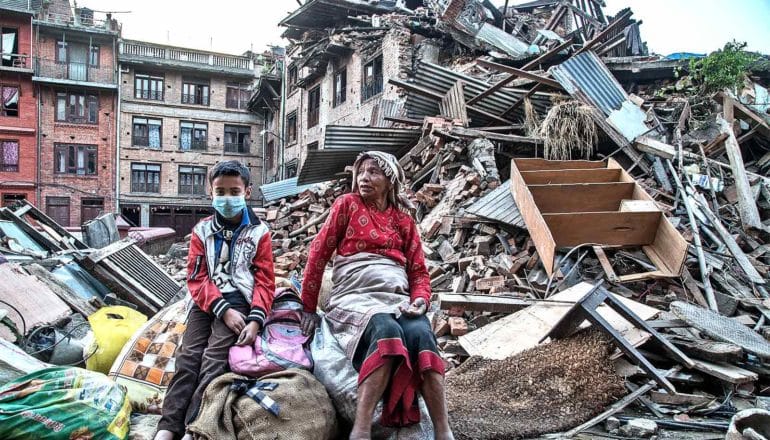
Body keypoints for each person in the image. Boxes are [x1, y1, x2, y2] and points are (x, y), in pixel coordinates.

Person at [300, 151, 454, 440]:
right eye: (361, 172)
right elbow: (317, 255)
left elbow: (419, 272)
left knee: (421, 333)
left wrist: (421, 299)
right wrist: (308, 307)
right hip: (354, 297)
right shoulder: (346, 205)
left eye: (373, 172)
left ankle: (443, 429)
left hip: (395, 297)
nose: (364, 178)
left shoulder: (403, 220)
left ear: (390, 180)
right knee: (385, 329)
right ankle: (361, 429)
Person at [155, 160, 275, 440]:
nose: (227, 198)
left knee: (213, 360)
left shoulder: (260, 232)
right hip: (206, 302)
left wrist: (256, 319)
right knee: (187, 358)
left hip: (240, 302)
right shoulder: (202, 230)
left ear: (247, 192)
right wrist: (221, 309)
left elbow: (265, 281)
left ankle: (193, 427)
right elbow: (196, 278)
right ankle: (167, 427)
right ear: (211, 192)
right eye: (220, 192)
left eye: (234, 191)